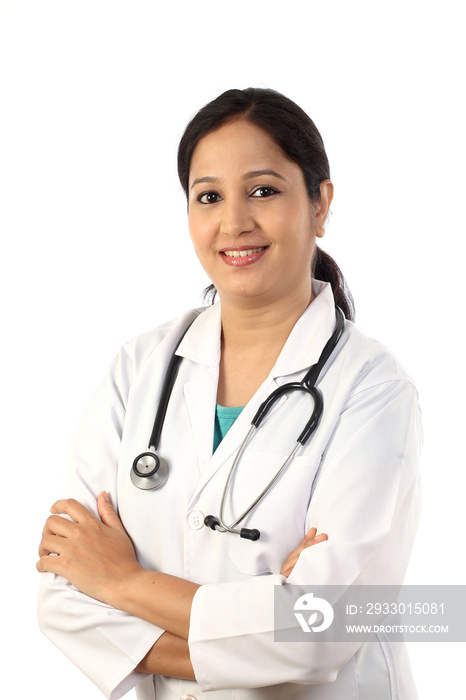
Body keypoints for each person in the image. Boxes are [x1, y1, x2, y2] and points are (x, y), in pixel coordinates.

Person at [37, 87, 422, 700]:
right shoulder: (140, 367)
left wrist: (122, 581)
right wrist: (259, 631)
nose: (234, 222)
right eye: (208, 196)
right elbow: (62, 593)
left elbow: (322, 628)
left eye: (264, 190)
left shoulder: (371, 387)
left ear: (320, 203)